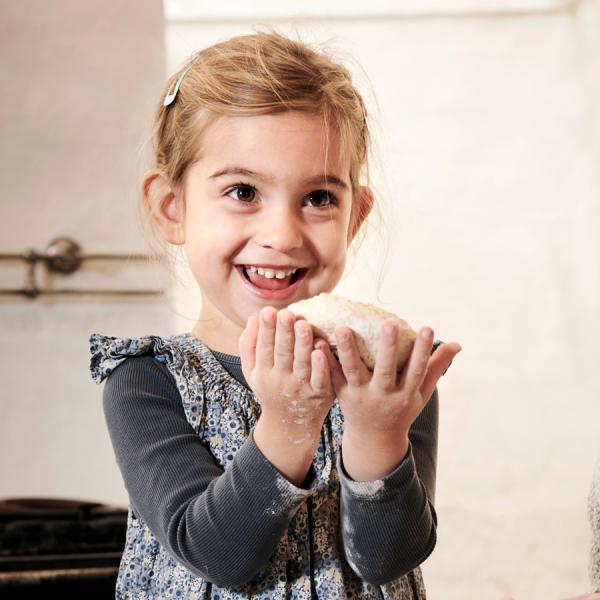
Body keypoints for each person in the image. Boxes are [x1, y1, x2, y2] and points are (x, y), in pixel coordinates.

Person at [90, 30, 462, 599]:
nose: (282, 235)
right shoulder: (146, 380)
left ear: (354, 218)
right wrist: (289, 422)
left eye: (318, 199)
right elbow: (217, 553)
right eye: (243, 191)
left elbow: (390, 558)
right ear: (173, 208)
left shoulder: (388, 378)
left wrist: (376, 433)